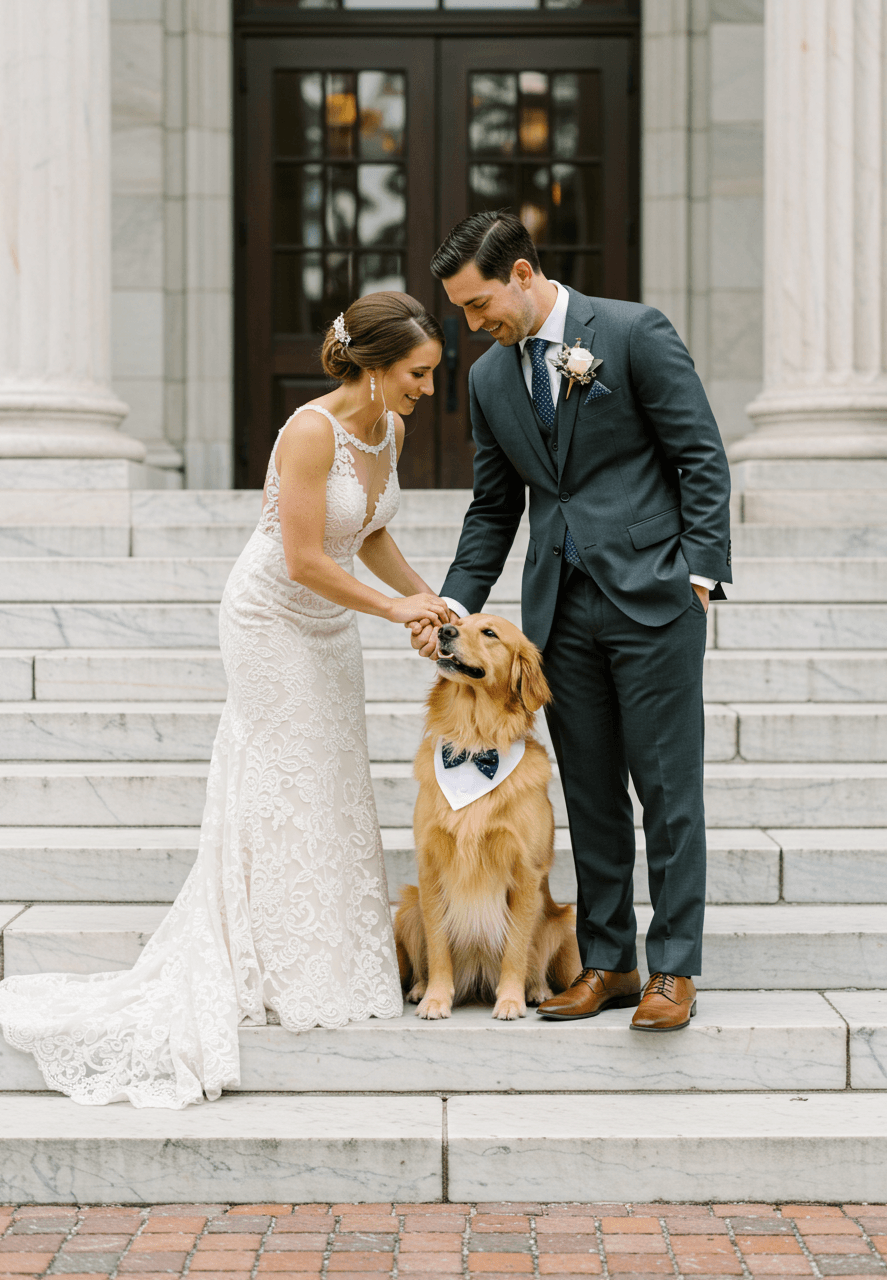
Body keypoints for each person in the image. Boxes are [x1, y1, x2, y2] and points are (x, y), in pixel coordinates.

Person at [0, 291, 449, 1107]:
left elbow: (371, 533)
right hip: (272, 616)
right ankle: (269, 963)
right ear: (376, 369)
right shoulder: (311, 431)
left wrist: (430, 600)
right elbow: (306, 556)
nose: (428, 388)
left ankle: (331, 963)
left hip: (332, 621)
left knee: (333, 781)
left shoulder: (392, 427)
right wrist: (392, 610)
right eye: (418, 374)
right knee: (283, 778)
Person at [411, 212, 731, 1031]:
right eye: (462, 314)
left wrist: (697, 577)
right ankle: (610, 962)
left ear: (522, 273)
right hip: (558, 608)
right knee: (588, 792)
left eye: (480, 304)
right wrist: (451, 608)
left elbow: (699, 453)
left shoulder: (630, 333)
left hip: (654, 598)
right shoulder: (489, 380)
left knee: (667, 790)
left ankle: (674, 969)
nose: (474, 325)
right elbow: (493, 508)